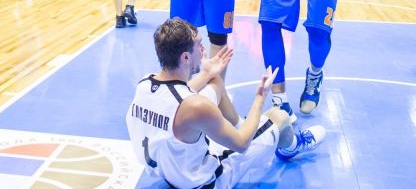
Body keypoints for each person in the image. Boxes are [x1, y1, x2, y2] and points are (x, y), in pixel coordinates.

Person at [126, 18, 325, 189]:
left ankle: (240, 124)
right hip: (206, 181)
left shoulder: (145, 83)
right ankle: (292, 146)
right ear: (185, 57)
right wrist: (260, 96)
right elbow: (242, 144)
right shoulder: (196, 107)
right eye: (199, 45)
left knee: (215, 82)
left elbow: (178, 95)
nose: (203, 50)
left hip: (169, 169)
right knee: (278, 116)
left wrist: (206, 74)